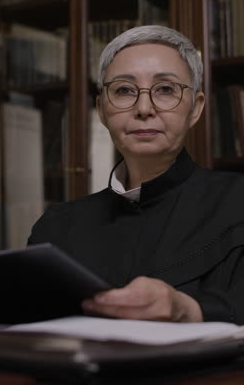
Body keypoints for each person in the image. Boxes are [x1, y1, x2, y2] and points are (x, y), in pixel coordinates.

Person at [28, 25, 244, 324]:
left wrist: (188, 309)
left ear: (195, 108)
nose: (144, 108)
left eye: (166, 89)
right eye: (124, 90)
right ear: (102, 110)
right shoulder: (56, 228)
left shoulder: (237, 203)